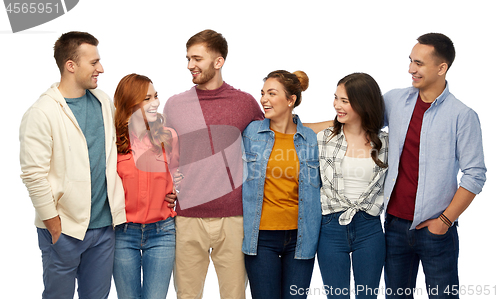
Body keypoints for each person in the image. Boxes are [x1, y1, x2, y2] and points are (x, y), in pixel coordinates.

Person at [19, 31, 126, 298]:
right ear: (71, 65)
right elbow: (34, 175)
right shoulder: (41, 112)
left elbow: (122, 150)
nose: (100, 68)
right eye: (94, 62)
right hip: (63, 230)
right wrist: (54, 226)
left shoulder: (103, 101)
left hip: (103, 231)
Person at [383, 33, 487, 298]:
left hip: (436, 232)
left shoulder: (462, 116)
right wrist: (294, 125)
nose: (410, 69)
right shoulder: (394, 101)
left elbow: (475, 175)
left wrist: (444, 221)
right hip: (394, 227)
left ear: (442, 68)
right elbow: (356, 121)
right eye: (410, 61)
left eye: (418, 63)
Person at [162, 29, 263, 299]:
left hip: (234, 217)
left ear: (218, 62)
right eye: (187, 58)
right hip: (187, 217)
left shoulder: (245, 103)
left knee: (234, 295)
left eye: (197, 58)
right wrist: (167, 185)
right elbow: (164, 155)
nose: (189, 65)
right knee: (187, 295)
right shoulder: (175, 105)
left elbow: (271, 140)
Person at [241, 70, 321, 299]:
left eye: (272, 93)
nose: (263, 99)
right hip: (261, 237)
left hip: (301, 237)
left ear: (291, 100)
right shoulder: (251, 133)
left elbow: (341, 124)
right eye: (263, 93)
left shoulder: (310, 139)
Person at [316, 73, 387, 299]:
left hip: (370, 228)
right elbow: (290, 125)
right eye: (336, 98)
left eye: (344, 101)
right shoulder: (323, 138)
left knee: (368, 296)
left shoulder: (386, 143)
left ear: (364, 103)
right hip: (330, 227)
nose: (337, 105)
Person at [113, 74, 179, 299]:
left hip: (162, 233)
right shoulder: (114, 141)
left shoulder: (168, 137)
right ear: (130, 103)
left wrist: (177, 192)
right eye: (147, 98)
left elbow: (178, 176)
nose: (156, 103)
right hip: (123, 233)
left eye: (156, 96)